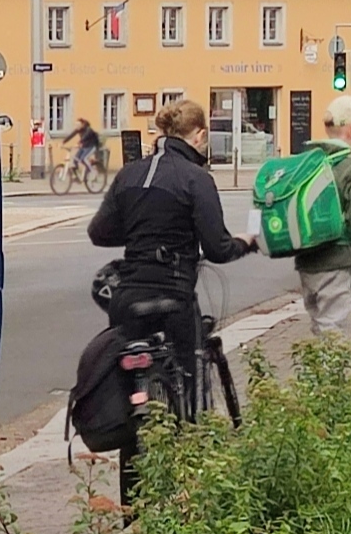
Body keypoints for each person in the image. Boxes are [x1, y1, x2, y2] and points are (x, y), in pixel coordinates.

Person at [87, 98, 256, 366]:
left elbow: (99, 232)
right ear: (200, 136)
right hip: (174, 294)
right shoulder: (197, 178)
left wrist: (139, 233)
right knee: (184, 375)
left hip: (128, 295)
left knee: (123, 370)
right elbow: (218, 249)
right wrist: (245, 242)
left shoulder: (129, 173)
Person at [293, 95, 351, 335]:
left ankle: (320, 371)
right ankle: (332, 373)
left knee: (319, 327)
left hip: (306, 262)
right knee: (334, 332)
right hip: (335, 262)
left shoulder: (307, 162)